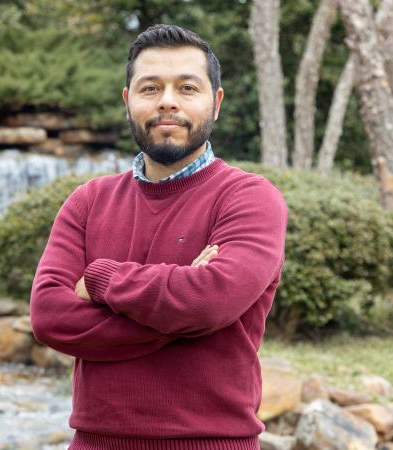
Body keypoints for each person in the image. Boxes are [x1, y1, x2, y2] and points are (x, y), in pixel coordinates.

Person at [29, 24, 288, 450]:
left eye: (187, 87)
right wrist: (180, 316)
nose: (168, 101)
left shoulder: (250, 198)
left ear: (216, 103)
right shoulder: (88, 201)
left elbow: (209, 300)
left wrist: (100, 280)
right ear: (128, 101)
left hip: (213, 443)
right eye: (151, 88)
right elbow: (48, 316)